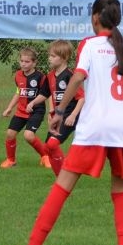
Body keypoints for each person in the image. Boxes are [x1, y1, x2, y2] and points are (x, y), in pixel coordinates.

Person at [0, 0, 123, 245]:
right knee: (120, 191)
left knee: (62, 187)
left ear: (95, 18)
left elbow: (79, 76)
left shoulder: (90, 45)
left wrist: (59, 111)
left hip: (94, 129)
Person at [34, 40, 85, 176]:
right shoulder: (50, 76)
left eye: (53, 56)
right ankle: (61, 177)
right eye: (49, 55)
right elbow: (44, 94)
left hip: (70, 116)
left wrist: (73, 115)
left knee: (52, 145)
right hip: (59, 116)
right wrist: (32, 103)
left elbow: (81, 98)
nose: (49, 58)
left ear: (64, 57)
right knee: (47, 148)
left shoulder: (70, 76)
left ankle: (63, 178)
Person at [0, 47, 50, 168]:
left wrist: (51, 111)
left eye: (27, 62)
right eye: (22, 61)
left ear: (34, 63)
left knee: (28, 136)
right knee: (10, 134)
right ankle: (11, 160)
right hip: (21, 111)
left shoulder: (41, 77)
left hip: (36, 111)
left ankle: (45, 156)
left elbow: (47, 94)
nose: (23, 64)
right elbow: (18, 92)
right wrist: (9, 108)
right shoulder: (18, 75)